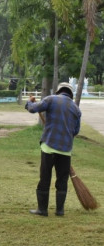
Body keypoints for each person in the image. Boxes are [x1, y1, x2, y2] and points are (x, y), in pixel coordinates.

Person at [25, 82, 81, 217]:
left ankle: (42, 210)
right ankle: (60, 210)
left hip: (49, 146)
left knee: (45, 177)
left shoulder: (51, 99)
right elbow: (75, 131)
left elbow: (33, 109)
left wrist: (29, 102)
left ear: (58, 91)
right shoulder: (76, 108)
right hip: (65, 149)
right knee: (62, 180)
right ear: (70, 94)